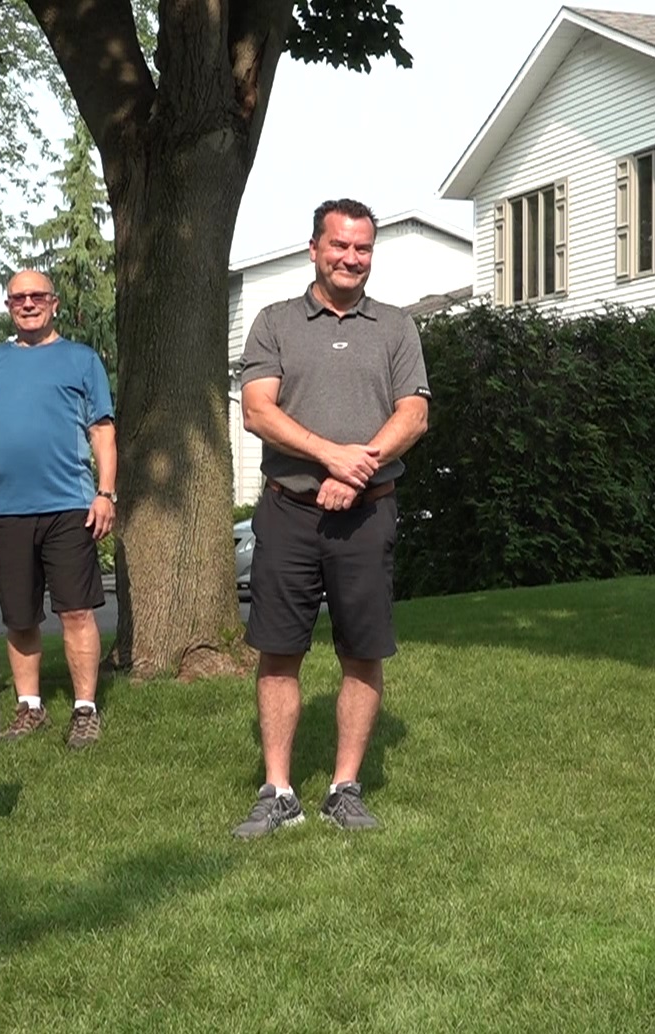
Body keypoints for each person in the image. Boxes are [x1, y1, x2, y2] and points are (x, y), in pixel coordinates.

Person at [230, 198, 431, 838]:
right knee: (279, 651)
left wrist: (358, 471)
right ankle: (279, 790)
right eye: (339, 246)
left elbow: (414, 417)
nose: (351, 258)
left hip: (367, 517)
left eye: (363, 248)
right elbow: (258, 412)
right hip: (288, 513)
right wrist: (329, 458)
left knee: (362, 652)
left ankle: (345, 787)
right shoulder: (275, 322)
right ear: (315, 248)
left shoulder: (396, 327)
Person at [0, 270, 117, 748]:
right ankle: (30, 707)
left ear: (54, 304)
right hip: (6, 509)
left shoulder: (81, 360)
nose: (28, 304)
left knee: (75, 611)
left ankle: (85, 709)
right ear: (9, 306)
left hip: (69, 507)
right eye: (18, 298)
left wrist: (106, 493)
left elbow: (103, 431)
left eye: (37, 296)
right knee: (19, 616)